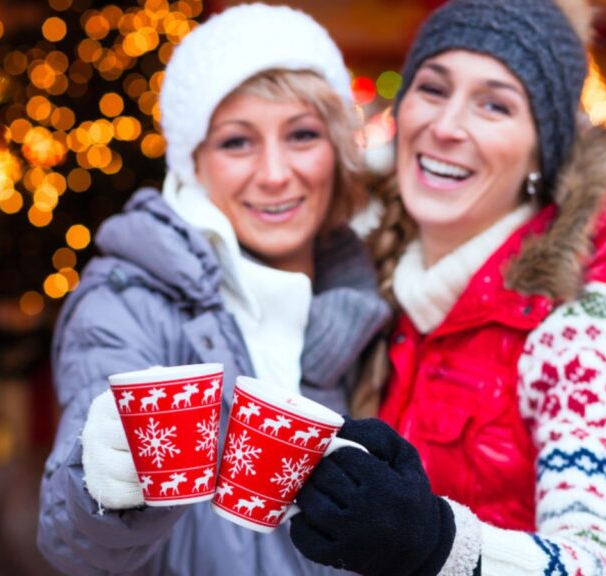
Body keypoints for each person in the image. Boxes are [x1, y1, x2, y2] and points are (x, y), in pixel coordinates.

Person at [288, 0, 606, 575]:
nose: (446, 127)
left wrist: (437, 543)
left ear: (542, 151)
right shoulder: (376, 292)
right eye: (433, 89)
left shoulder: (586, 324)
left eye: (495, 104)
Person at [36, 4, 390, 575]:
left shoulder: (375, 295)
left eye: (302, 135)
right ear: (193, 162)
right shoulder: (129, 303)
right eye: (236, 142)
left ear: (338, 148)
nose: (274, 174)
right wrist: (103, 481)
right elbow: (71, 540)